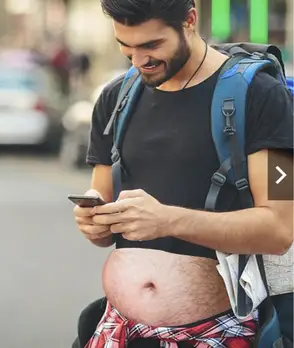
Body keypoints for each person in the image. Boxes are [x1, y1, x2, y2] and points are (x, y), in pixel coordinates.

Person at [73, 0, 293, 347]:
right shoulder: (115, 99)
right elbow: (102, 221)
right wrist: (94, 223)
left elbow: (279, 229)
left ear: (189, 20)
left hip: (221, 332)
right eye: (126, 47)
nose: (139, 60)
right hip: (121, 330)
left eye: (151, 45)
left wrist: (168, 220)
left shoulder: (263, 96)